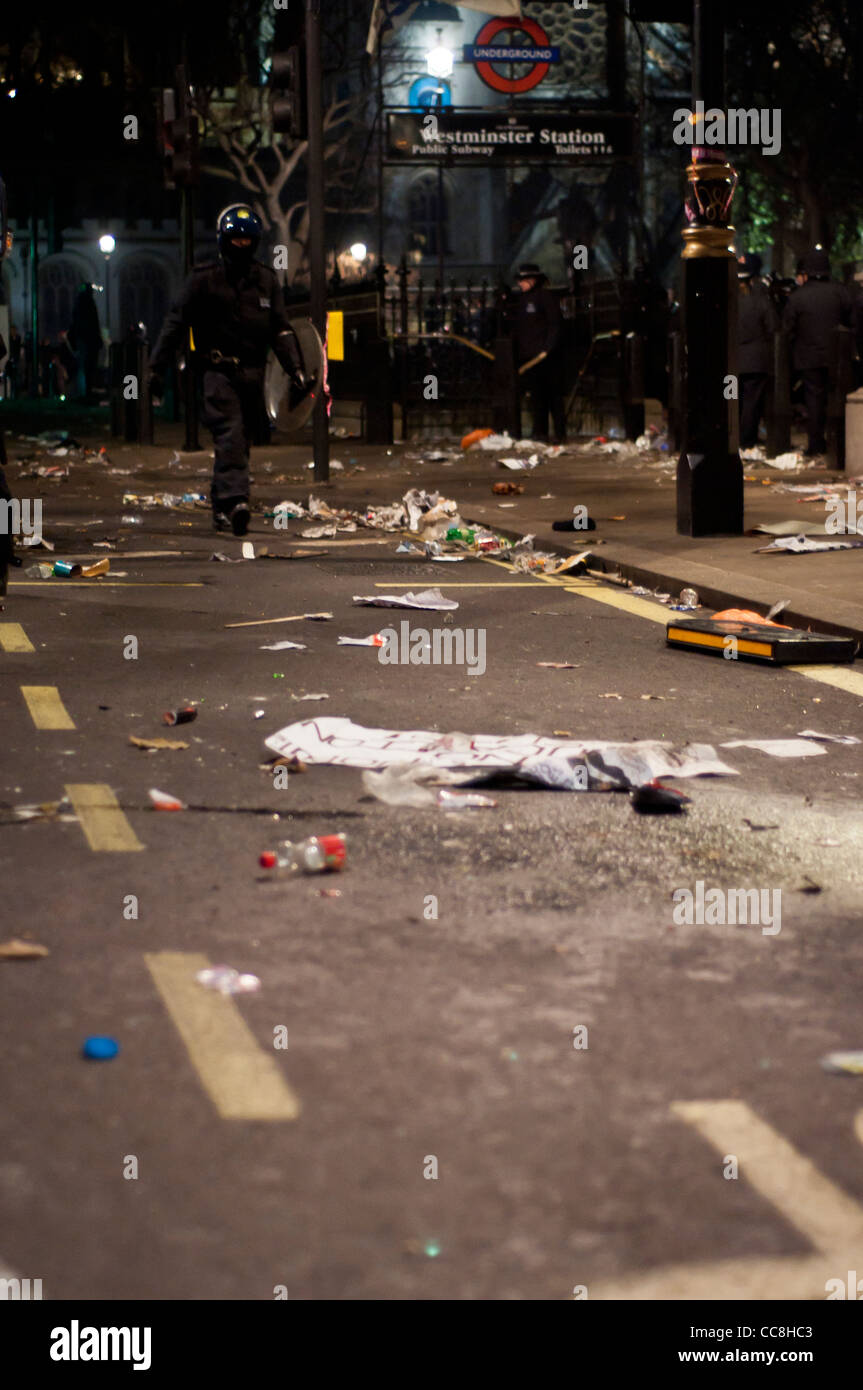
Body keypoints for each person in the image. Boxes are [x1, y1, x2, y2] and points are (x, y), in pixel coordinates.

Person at [148, 204, 310, 536]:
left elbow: (280, 330)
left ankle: (221, 506)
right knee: (231, 434)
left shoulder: (266, 281)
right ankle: (237, 501)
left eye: (247, 240)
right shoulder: (203, 280)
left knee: (238, 441)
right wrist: (155, 370)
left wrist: (296, 370)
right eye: (236, 240)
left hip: (254, 376)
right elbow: (174, 325)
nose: (241, 246)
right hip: (216, 372)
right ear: (224, 241)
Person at [784, 247, 853, 457]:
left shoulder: (798, 297)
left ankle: (816, 444)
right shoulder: (840, 292)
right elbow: (851, 322)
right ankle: (839, 444)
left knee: (814, 400)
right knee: (838, 399)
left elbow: (787, 328)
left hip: (808, 356)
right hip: (837, 355)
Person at [513, 262, 566, 443]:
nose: (521, 284)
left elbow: (554, 324)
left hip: (545, 357)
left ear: (533, 280)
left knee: (553, 397)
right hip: (530, 358)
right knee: (537, 398)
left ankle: (560, 433)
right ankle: (540, 433)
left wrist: (547, 348)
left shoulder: (545, 297)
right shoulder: (521, 301)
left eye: (524, 280)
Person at [737, 252, 776, 450]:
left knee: (732, 400)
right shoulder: (760, 301)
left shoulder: (727, 302)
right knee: (751, 402)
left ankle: (732, 438)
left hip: (731, 364)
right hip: (755, 362)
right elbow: (772, 328)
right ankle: (746, 440)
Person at [68, 282, 103, 401]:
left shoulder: (79, 303)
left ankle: (83, 392)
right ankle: (84, 392)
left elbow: (76, 323)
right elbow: (94, 323)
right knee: (86, 367)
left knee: (83, 367)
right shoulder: (88, 303)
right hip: (88, 340)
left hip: (83, 339)